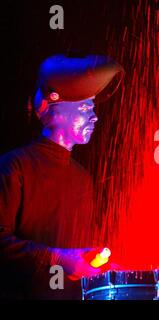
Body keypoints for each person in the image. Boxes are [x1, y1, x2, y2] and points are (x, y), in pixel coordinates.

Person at [0, 54, 124, 299]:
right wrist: (57, 258)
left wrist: (99, 267)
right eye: (85, 107)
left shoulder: (83, 179)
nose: (95, 116)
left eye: (93, 108)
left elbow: (78, 256)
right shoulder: (14, 166)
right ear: (55, 111)